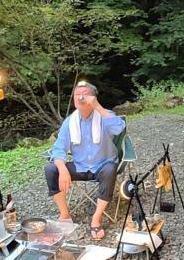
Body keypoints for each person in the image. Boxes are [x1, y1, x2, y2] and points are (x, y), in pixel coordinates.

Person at [44, 81, 125, 240]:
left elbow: (119, 128)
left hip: (103, 165)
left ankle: (96, 218)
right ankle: (65, 214)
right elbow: (59, 147)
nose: (80, 97)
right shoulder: (70, 121)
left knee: (110, 169)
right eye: (77, 94)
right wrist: (62, 169)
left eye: (85, 94)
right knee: (51, 169)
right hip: (81, 167)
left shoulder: (104, 115)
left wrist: (98, 107)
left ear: (93, 97)